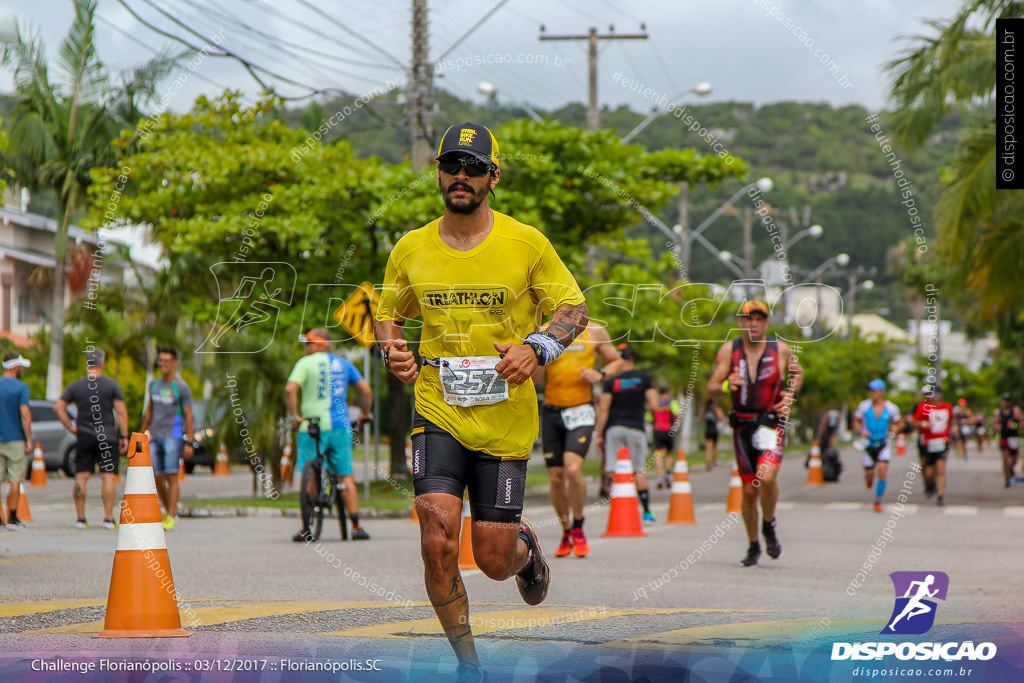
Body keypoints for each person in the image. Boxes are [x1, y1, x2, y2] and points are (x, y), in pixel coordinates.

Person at [373, 121, 588, 680]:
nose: (460, 176)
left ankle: (525, 548)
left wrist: (536, 348)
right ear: (439, 173)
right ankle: (469, 666)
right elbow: (387, 314)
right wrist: (392, 352)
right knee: (437, 536)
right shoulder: (410, 248)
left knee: (492, 561)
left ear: (494, 176)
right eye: (451, 165)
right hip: (437, 410)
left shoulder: (526, 242)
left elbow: (573, 309)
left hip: (504, 420)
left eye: (472, 167)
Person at [708, 300, 803, 567]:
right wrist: (726, 385)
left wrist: (790, 394)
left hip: (771, 424)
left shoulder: (780, 349)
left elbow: (798, 373)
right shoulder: (730, 350)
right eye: (748, 319)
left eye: (759, 319)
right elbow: (711, 387)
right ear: (740, 322)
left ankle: (769, 524)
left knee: (767, 476)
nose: (754, 324)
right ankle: (753, 545)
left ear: (766, 323)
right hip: (742, 426)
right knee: (749, 492)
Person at [532, 321, 622, 559]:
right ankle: (567, 531)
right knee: (556, 477)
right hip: (552, 411)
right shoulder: (543, 330)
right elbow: (535, 380)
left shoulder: (596, 331)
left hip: (581, 410)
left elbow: (616, 361)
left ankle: (579, 527)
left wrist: (600, 373)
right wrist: (540, 352)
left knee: (573, 470)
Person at [286, 327, 373, 542]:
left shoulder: (305, 363)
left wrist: (294, 416)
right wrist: (365, 413)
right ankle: (356, 526)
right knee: (345, 475)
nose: (306, 347)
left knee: (310, 473)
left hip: (310, 426)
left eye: (309, 343)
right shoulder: (343, 364)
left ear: (320, 344)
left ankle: (307, 527)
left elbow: (290, 390)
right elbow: (366, 391)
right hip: (339, 427)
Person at [55, 348, 129, 529]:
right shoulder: (111, 385)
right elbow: (120, 412)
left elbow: (58, 407)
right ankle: (108, 518)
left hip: (84, 435)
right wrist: (125, 436)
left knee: (81, 475)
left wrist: (71, 427)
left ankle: (80, 518)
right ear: (102, 363)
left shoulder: (76, 386)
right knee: (108, 476)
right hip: (107, 436)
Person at [594, 344, 659, 524]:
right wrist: (641, 407)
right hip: (637, 428)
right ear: (633, 360)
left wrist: (599, 434)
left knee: (613, 469)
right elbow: (654, 404)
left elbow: (604, 409)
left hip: (615, 428)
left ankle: (617, 510)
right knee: (638, 471)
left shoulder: (610, 380)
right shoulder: (644, 378)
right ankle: (647, 512)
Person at [140, 347, 194, 530]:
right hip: (155, 436)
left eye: (166, 361)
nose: (162, 364)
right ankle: (169, 508)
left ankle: (170, 515)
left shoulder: (181, 387)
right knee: (155, 476)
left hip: (174, 436)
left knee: (172, 475)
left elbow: (188, 415)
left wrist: (189, 441)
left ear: (174, 363)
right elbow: (149, 411)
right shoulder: (154, 385)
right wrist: (142, 433)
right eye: (160, 361)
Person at [852, 379, 903, 512]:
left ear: (882, 392)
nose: (872, 393)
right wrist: (861, 430)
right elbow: (856, 421)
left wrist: (895, 428)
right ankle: (869, 479)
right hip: (868, 444)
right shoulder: (864, 406)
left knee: (882, 470)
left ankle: (878, 501)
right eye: (871, 390)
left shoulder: (891, 408)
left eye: (874, 390)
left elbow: (900, 423)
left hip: (883, 443)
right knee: (870, 474)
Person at [0, 353, 32, 530]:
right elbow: (25, 414)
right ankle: (12, 517)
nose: (22, 370)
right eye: (20, 366)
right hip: (15, 439)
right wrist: (29, 439)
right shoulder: (21, 387)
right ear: (14, 367)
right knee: (15, 479)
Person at [910, 386, 953, 505]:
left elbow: (951, 421)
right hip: (928, 442)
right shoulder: (923, 407)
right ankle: (929, 484)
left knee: (940, 468)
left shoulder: (947, 407)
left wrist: (953, 428)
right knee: (928, 471)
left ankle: (940, 495)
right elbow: (914, 421)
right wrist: (924, 424)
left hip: (942, 441)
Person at [652, 387, 678, 487]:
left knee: (658, 454)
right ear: (668, 392)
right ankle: (667, 474)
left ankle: (660, 477)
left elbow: (650, 418)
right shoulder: (672, 402)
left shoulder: (655, 403)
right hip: (668, 430)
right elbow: (677, 415)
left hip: (658, 430)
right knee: (669, 453)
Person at [995, 394, 1023, 487]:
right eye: (1004, 400)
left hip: (1013, 437)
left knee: (1014, 459)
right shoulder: (998, 412)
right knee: (1005, 456)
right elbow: (996, 424)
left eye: (1007, 401)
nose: (1005, 403)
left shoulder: (1015, 411)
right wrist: (997, 427)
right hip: (1004, 437)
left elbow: (1022, 422)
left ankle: (1011, 468)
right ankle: (1006, 477)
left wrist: (1014, 425)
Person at [703, 397, 725, 472]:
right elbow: (703, 419)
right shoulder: (707, 411)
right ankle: (709, 462)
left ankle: (714, 462)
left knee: (714, 447)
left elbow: (721, 417)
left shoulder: (714, 410)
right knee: (709, 446)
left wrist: (717, 412)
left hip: (713, 429)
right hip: (710, 429)